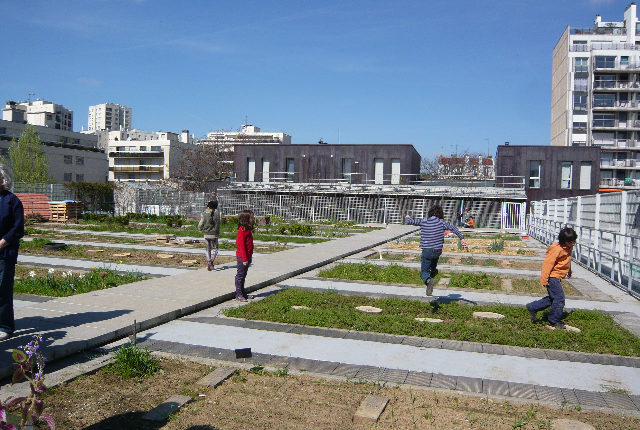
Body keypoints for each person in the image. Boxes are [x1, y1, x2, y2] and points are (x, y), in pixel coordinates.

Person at [405, 206, 467, 295]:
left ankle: (429, 281)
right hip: (437, 251)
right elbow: (453, 228)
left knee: (424, 272)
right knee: (433, 267)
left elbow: (410, 221)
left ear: (430, 213)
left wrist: (407, 217)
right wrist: (462, 238)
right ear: (441, 214)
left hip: (427, 251)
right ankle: (433, 273)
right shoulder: (442, 223)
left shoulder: (424, 221)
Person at [526, 227, 577, 330]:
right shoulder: (556, 249)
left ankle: (533, 307)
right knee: (559, 299)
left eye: (574, 241)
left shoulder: (568, 247)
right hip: (552, 277)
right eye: (570, 242)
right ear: (564, 241)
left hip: (558, 277)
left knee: (553, 298)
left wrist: (569, 271)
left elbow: (567, 260)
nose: (573, 244)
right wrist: (544, 279)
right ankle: (553, 320)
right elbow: (547, 264)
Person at [0, 164, 24, 341]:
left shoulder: (12, 201)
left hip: (4, 253)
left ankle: (5, 326)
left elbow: (17, 229)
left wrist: (2, 243)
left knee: (3, 290)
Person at [235, 210, 254, 301]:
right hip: (242, 257)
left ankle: (243, 293)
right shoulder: (242, 230)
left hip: (247, 257)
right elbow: (241, 246)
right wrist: (245, 259)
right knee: (240, 276)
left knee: (243, 276)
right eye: (251, 218)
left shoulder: (247, 229)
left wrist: (249, 257)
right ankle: (238, 294)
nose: (253, 219)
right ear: (246, 219)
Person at [198, 200, 221, 271]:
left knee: (208, 249)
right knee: (215, 249)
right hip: (215, 234)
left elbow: (200, 224)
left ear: (208, 206)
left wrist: (200, 229)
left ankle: (209, 262)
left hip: (206, 234)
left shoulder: (204, 213)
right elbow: (220, 223)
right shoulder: (218, 214)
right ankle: (211, 260)